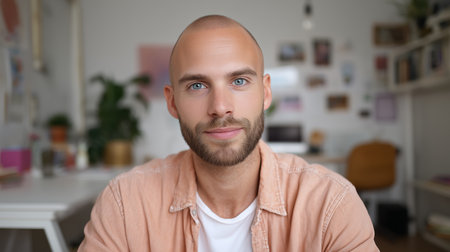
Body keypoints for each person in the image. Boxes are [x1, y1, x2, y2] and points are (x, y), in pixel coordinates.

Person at [79, 15, 379, 251]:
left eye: (239, 81)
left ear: (266, 92)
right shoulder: (125, 203)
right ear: (172, 102)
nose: (220, 108)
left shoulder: (330, 203)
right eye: (197, 85)